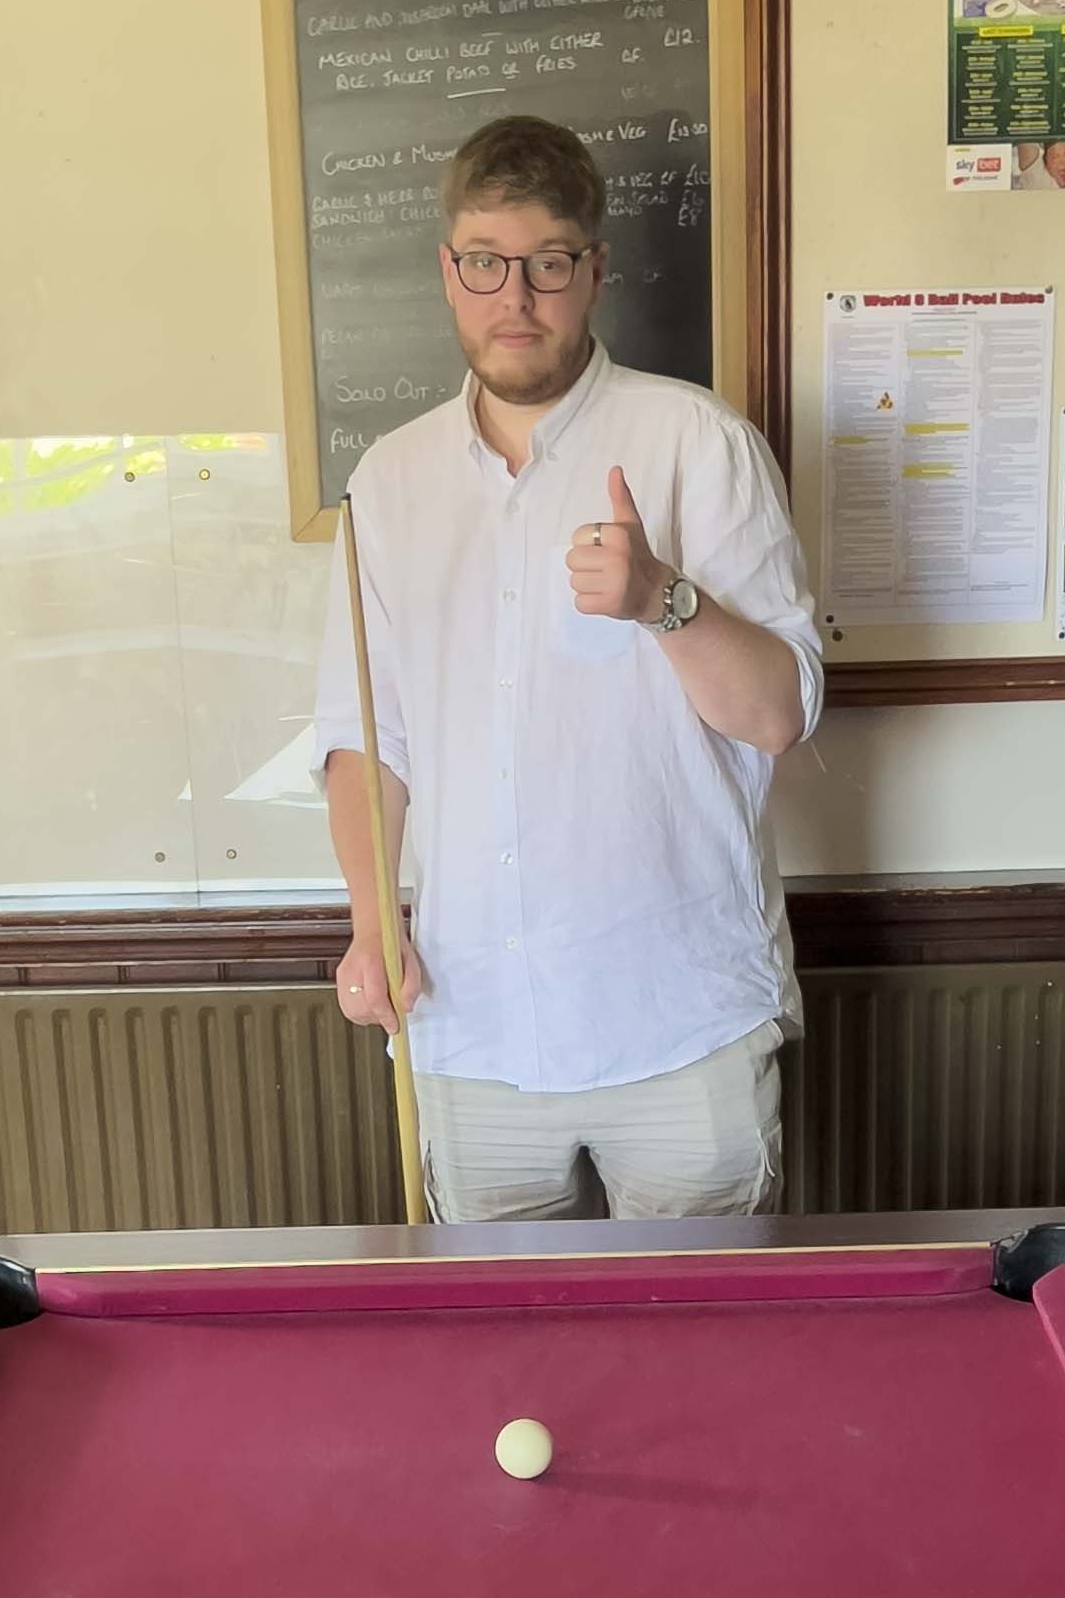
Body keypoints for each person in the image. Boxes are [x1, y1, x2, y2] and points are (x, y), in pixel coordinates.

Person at [313, 112, 821, 1220]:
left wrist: (663, 602)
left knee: (701, 1352)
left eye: (547, 265)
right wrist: (369, 922)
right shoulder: (388, 484)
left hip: (677, 1018)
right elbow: (364, 737)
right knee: (497, 1365)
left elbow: (778, 716)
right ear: (449, 272)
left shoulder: (700, 445)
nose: (516, 300)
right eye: (486, 264)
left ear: (595, 272)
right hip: (469, 1025)